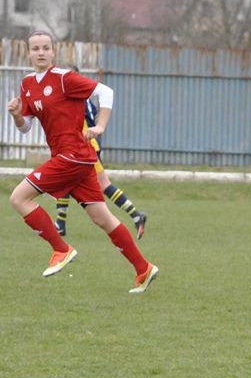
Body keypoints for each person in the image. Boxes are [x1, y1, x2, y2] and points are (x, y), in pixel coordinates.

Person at [7, 30, 159, 294]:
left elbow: (106, 92)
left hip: (73, 156)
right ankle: (143, 268)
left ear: (53, 51)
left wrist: (100, 125)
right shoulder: (28, 84)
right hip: (77, 159)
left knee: (19, 198)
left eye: (46, 47)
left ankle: (61, 249)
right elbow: (25, 127)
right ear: (28, 53)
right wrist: (17, 115)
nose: (41, 52)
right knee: (102, 218)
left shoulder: (64, 78)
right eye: (36, 48)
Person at [54, 66, 147, 239]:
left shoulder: (80, 98)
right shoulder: (69, 98)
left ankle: (136, 215)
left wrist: (91, 133)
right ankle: (60, 223)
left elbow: (92, 119)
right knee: (65, 181)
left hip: (86, 147)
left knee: (103, 184)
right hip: (78, 147)